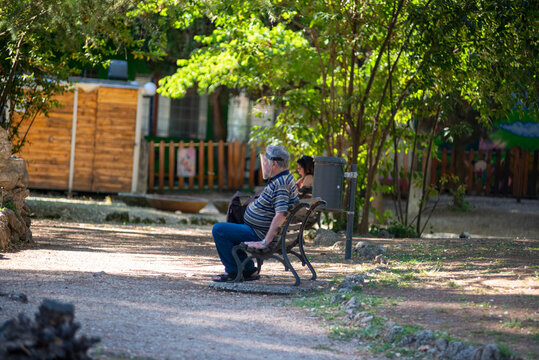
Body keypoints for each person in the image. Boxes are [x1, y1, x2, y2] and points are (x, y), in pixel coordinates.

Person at [211, 145, 299, 282]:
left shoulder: (281, 183)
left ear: (274, 163)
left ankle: (234, 272)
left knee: (219, 230)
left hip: (258, 233)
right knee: (230, 224)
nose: (263, 163)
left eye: (266, 161)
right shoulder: (285, 178)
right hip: (258, 229)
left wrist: (265, 242)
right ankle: (248, 269)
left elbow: (281, 214)